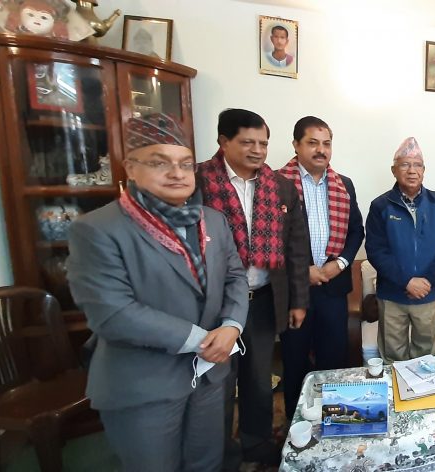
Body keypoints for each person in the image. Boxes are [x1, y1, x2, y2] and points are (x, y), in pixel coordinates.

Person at [67, 113, 247, 471]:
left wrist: (232, 326)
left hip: (209, 374)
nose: (177, 173)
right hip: (144, 383)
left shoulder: (212, 220)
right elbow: (112, 313)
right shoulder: (97, 229)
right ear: (131, 168)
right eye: (159, 162)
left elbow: (235, 278)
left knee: (207, 463)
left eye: (185, 164)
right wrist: (203, 340)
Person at [196, 108, 311, 468]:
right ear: (223, 141)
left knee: (259, 381)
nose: (257, 150)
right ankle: (218, 454)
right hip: (213, 305)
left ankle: (257, 444)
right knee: (215, 383)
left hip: (262, 300)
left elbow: (296, 248)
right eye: (247, 142)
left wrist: (298, 300)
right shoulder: (198, 181)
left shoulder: (280, 187)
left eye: (263, 143)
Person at [277, 116, 364, 419]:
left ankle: (332, 422)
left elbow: (356, 231)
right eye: (312, 143)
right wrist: (303, 271)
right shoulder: (275, 183)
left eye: (326, 143)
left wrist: (339, 263)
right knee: (295, 362)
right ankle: (296, 426)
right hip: (293, 291)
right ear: (296, 145)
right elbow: (269, 238)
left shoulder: (344, 184)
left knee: (333, 361)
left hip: (332, 288)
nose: (321, 150)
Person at [365, 137, 435, 361]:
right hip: (392, 296)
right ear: (394, 170)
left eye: (417, 165)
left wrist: (427, 281)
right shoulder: (380, 206)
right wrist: (407, 281)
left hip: (428, 294)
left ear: (424, 171)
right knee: (392, 359)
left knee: (426, 360)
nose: (411, 171)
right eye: (405, 165)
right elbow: (376, 250)